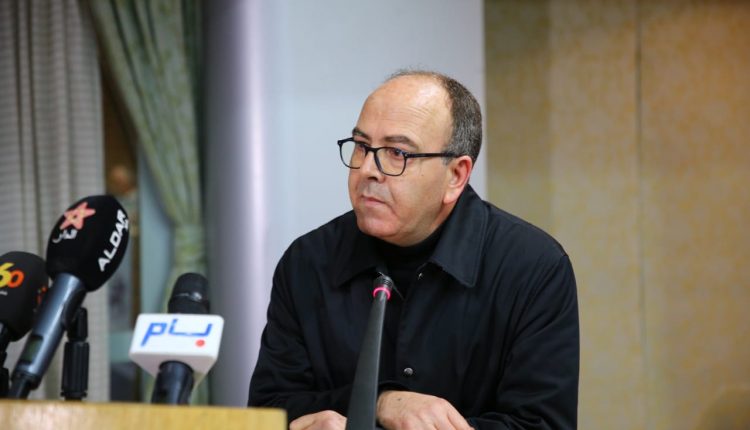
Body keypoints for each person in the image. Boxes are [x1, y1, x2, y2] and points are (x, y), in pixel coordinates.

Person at [248, 70, 579, 430]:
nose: (368, 170)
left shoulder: (532, 267)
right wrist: (378, 403)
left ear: (456, 175)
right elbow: (269, 409)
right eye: (361, 146)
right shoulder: (308, 261)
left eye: (397, 153)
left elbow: (541, 424)